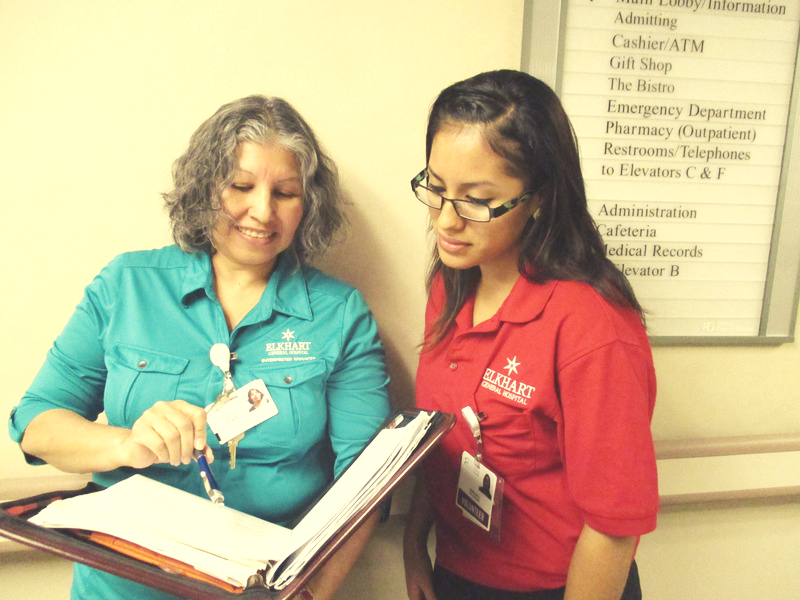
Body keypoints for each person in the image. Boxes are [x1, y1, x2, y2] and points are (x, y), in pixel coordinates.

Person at [9, 95, 391, 600]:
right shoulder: (127, 284)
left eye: (285, 193)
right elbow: (36, 423)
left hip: (263, 585)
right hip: (120, 588)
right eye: (241, 186)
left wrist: (307, 596)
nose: (262, 211)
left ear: (308, 205)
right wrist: (126, 444)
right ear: (206, 187)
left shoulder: (339, 313)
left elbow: (368, 484)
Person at [402, 70, 658, 600]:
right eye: (437, 189)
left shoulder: (592, 324)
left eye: (476, 200)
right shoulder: (450, 285)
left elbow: (613, 527)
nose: (446, 221)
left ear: (539, 197)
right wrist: (414, 544)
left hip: (558, 587)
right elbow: (448, 433)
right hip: (457, 571)